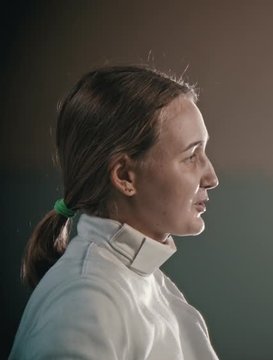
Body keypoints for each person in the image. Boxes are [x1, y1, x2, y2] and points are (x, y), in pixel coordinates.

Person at [10, 65, 220, 359]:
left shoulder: (148, 284)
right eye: (191, 156)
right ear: (124, 176)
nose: (211, 177)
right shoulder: (85, 302)